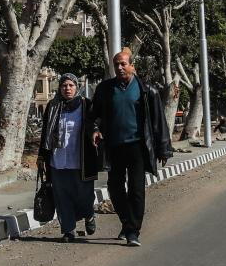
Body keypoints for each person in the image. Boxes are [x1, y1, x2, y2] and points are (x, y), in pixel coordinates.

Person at [91, 48, 171, 247]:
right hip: (114, 146)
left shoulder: (147, 90)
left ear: (132, 66)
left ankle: (133, 231)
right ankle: (127, 222)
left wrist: (164, 148)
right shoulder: (104, 89)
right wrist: (94, 128)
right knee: (114, 187)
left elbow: (158, 121)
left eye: (123, 64)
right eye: (116, 64)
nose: (119, 67)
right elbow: (94, 114)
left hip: (138, 146)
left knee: (136, 189)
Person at [40, 73, 101, 243]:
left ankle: (89, 215)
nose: (67, 89)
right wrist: (41, 157)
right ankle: (68, 230)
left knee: (84, 196)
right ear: (60, 88)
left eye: (71, 85)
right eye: (64, 85)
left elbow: (94, 125)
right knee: (62, 197)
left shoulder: (86, 105)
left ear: (76, 87)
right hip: (58, 161)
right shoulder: (52, 106)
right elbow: (46, 132)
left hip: (81, 160)